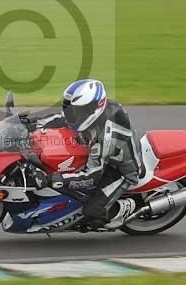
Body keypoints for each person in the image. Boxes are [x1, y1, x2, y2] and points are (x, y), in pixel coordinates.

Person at [31, 79, 141, 229]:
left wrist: (53, 179)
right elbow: (61, 118)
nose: (71, 114)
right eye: (70, 109)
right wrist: (30, 123)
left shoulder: (105, 138)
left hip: (120, 170)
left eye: (77, 111)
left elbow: (92, 176)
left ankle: (125, 209)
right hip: (106, 155)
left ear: (92, 109)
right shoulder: (88, 114)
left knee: (92, 212)